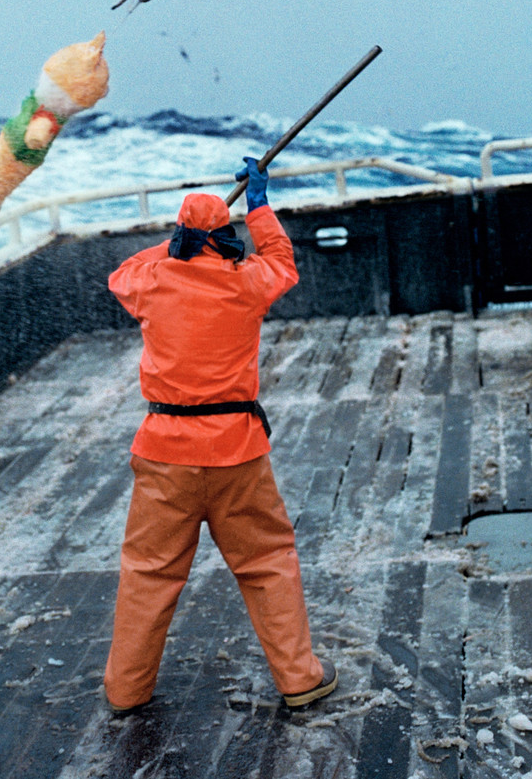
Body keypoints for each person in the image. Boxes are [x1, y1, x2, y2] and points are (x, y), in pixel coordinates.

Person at [102, 156, 337, 713]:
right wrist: (257, 207)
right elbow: (282, 260)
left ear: (180, 236)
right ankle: (300, 680)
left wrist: (177, 244)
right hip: (238, 452)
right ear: (225, 238)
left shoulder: (153, 281)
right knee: (268, 563)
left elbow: (122, 274)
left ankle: (127, 690)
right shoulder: (247, 281)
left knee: (149, 575)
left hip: (164, 454)